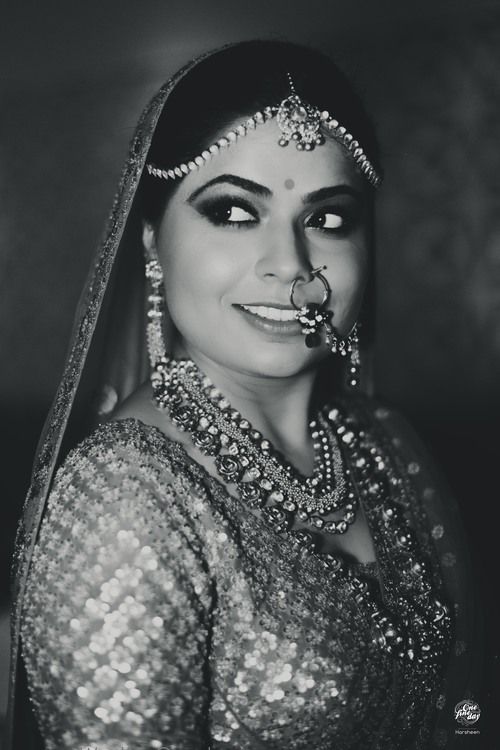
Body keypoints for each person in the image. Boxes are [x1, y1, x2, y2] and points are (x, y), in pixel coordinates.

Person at [5, 40, 481, 750]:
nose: (291, 266)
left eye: (327, 219)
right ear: (152, 243)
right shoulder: (124, 497)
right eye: (233, 212)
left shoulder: (384, 442)